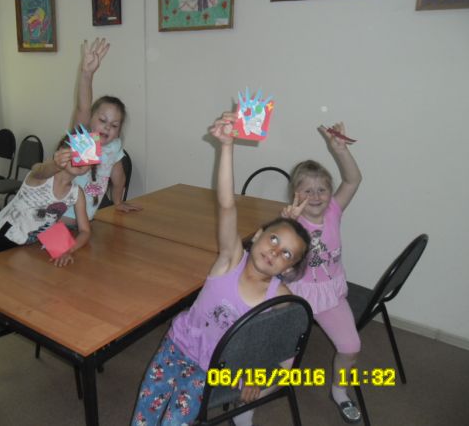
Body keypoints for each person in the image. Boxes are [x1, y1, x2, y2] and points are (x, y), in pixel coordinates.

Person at [130, 112, 311, 426]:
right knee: (144, 416)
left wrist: (263, 381)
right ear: (257, 235)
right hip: (176, 346)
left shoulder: (280, 296)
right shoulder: (230, 259)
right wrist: (227, 146)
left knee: (175, 422)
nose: (274, 251)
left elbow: (288, 348)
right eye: (273, 239)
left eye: (286, 253)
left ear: (289, 267)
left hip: (214, 369)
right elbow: (227, 205)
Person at [282, 122, 363, 424]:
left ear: (330, 193)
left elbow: (353, 180)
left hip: (330, 294)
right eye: (308, 190)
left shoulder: (333, 211)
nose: (315, 196)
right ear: (296, 194)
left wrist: (339, 150)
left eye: (322, 189)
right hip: (295, 296)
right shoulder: (291, 221)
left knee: (351, 347)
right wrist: (288, 225)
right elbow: (277, 257)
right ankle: (245, 409)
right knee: (283, 364)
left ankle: (339, 390)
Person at [0, 135, 92, 268]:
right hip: (1, 236)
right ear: (61, 152)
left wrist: (68, 250)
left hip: (25, 244)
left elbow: (85, 231)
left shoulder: (77, 193)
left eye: (88, 156)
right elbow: (37, 169)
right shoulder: (41, 177)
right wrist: (55, 164)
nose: (82, 159)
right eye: (77, 152)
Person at [63, 38, 141, 225]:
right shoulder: (85, 142)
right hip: (62, 218)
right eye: (102, 120)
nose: (107, 127)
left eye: (114, 125)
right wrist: (87, 74)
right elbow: (83, 107)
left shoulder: (114, 146)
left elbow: (119, 177)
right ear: (90, 119)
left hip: (87, 219)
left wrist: (118, 202)